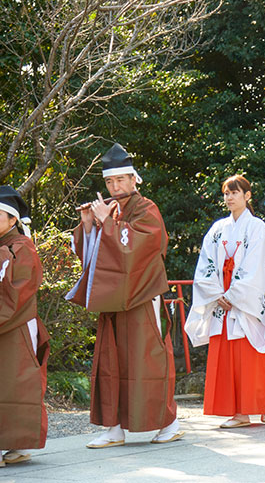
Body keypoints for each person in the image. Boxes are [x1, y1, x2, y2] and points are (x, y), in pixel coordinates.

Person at [67, 143, 182, 448]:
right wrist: (89, 226)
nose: (115, 187)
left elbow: (138, 250)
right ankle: (114, 427)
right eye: (109, 182)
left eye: (120, 181)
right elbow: (95, 255)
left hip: (143, 298)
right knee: (111, 364)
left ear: (134, 180)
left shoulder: (147, 209)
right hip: (113, 299)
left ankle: (169, 423)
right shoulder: (111, 211)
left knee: (149, 362)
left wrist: (106, 222)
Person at [185, 175, 265, 427]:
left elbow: (259, 265)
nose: (229, 197)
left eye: (235, 192)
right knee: (230, 357)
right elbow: (206, 264)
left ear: (247, 196)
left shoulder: (257, 227)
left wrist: (234, 294)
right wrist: (216, 294)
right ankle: (239, 412)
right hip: (222, 297)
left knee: (253, 353)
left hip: (246, 299)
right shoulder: (218, 229)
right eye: (226, 193)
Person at [0, 187, 49, 466]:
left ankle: (13, 444)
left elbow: (16, 293)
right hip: (9, 324)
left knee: (13, 385)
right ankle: (15, 445)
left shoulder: (21, 249)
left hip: (15, 326)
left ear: (13, 220)